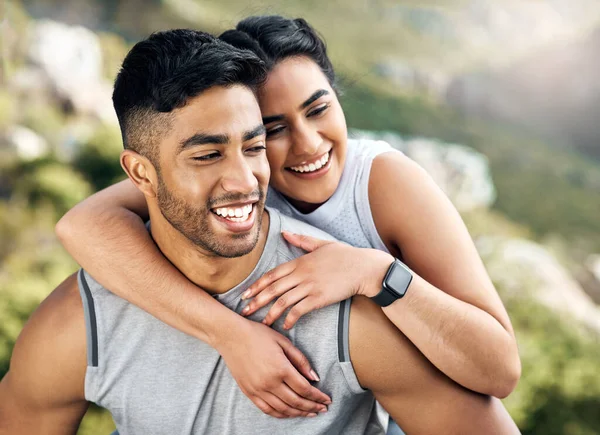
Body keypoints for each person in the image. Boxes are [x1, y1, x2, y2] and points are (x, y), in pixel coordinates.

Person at [0, 29, 519, 435]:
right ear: (140, 174)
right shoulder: (82, 322)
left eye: (252, 146)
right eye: (208, 154)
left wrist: (378, 272)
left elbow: (497, 375)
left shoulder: (376, 216)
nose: (245, 179)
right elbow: (82, 225)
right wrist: (229, 333)